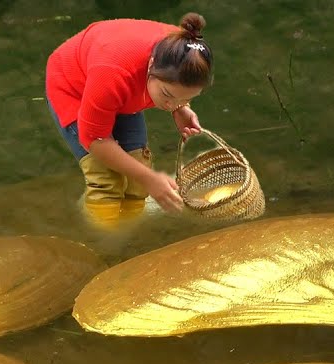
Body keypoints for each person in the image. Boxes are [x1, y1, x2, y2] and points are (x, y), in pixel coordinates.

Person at [46, 12, 212, 227]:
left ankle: (129, 237)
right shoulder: (113, 71)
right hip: (74, 85)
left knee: (137, 179)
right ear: (151, 65)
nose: (170, 105)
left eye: (187, 97)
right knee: (106, 181)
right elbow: (95, 140)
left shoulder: (183, 47)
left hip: (120, 85)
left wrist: (181, 108)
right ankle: (103, 244)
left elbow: (176, 91)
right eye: (168, 96)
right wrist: (150, 179)